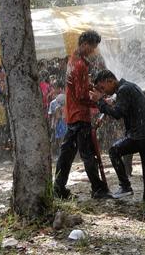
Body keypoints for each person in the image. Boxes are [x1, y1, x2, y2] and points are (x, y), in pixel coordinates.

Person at [90, 70, 145, 216]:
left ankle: (126, 186)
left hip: (140, 136)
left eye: (103, 88)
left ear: (110, 81)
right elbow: (120, 105)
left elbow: (117, 113)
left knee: (114, 151)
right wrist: (107, 104)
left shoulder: (124, 89)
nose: (104, 92)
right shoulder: (127, 87)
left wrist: (99, 101)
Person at [53, 30, 111, 199]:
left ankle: (58, 188)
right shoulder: (80, 65)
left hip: (71, 114)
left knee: (67, 154)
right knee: (87, 155)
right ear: (85, 44)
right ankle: (98, 188)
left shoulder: (73, 59)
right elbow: (81, 96)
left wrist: (94, 89)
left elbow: (79, 88)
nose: (93, 51)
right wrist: (100, 103)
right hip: (80, 115)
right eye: (92, 47)